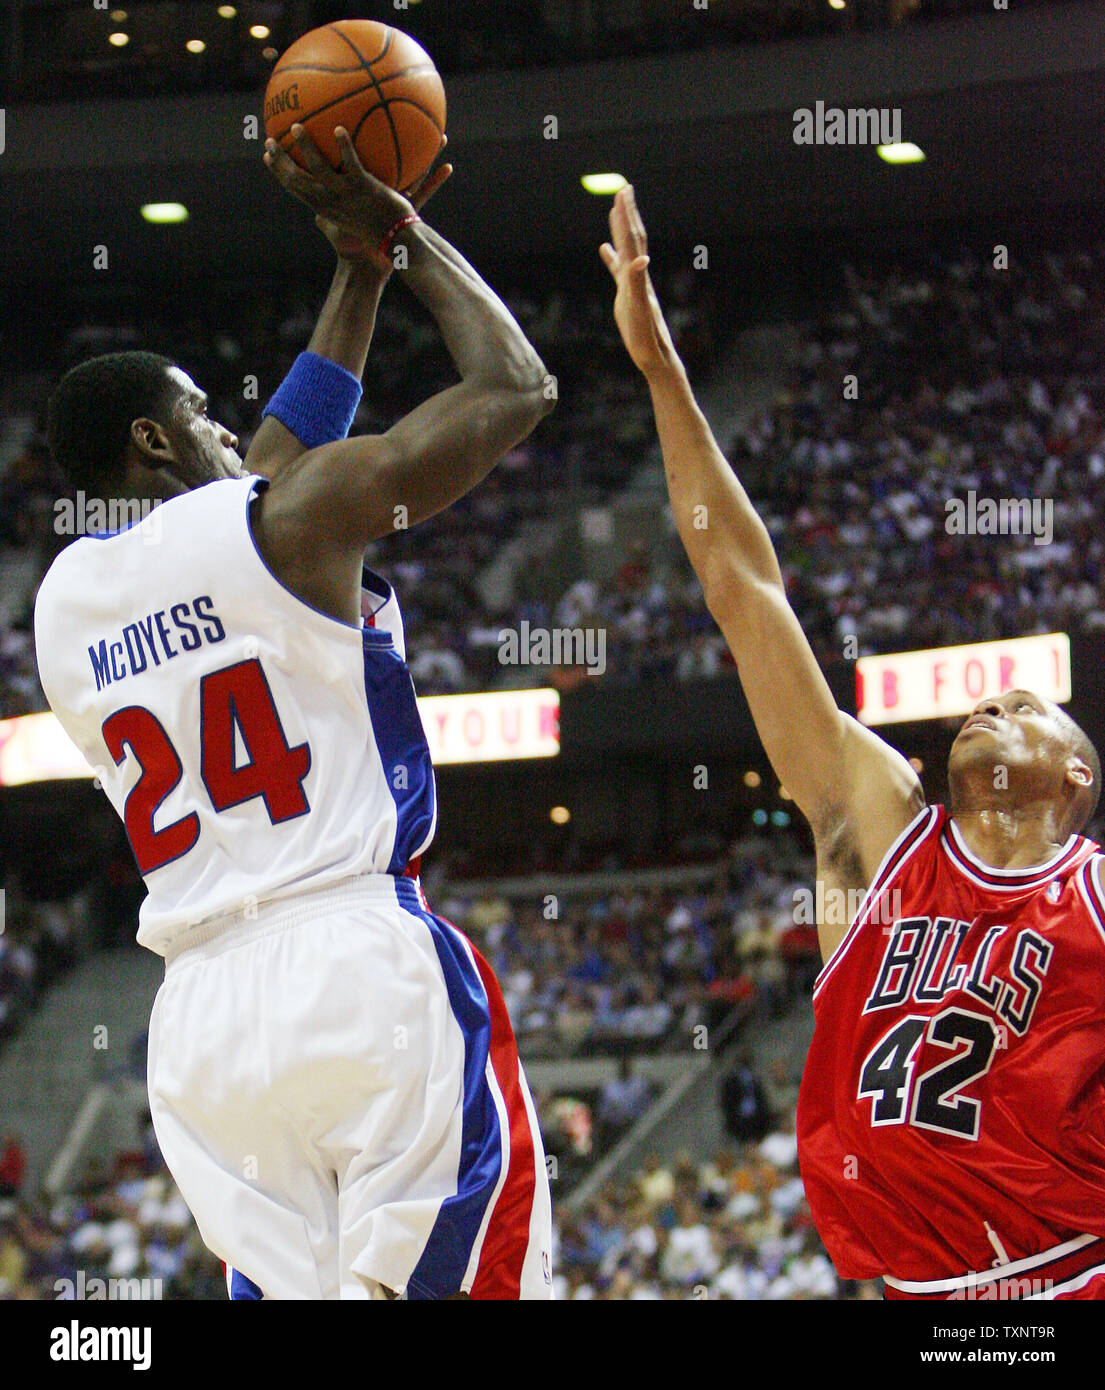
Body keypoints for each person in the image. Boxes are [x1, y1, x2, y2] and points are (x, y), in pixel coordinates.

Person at [33, 127, 555, 1301]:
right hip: (355, 964)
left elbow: (267, 466)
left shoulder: (61, 608)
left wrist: (358, 271)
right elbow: (518, 386)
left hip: (204, 1031)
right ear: (159, 440)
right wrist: (409, 238)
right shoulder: (284, 522)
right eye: (206, 413)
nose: (238, 430)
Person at [600, 184, 1105, 1300]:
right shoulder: (875, 827)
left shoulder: (1099, 900)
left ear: (1079, 771)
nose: (992, 706)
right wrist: (664, 374)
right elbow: (743, 590)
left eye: (1025, 706)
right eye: (985, 702)